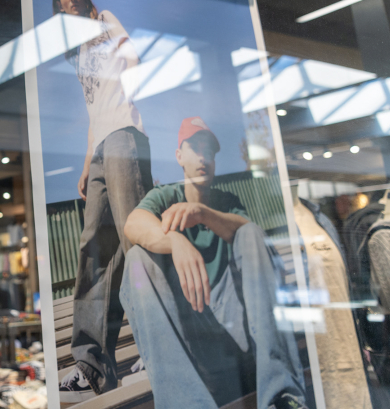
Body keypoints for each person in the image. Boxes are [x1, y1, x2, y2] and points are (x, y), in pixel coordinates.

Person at [120, 117, 307, 409]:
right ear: (179, 156)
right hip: (195, 334)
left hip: (240, 331)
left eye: (209, 150)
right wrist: (176, 242)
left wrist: (202, 213)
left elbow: (248, 232)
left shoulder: (227, 202)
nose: (203, 157)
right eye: (194, 148)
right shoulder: (166, 196)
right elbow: (133, 224)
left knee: (249, 233)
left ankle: (283, 396)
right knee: (136, 259)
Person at [51, 0, 153, 402]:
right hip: (100, 147)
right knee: (93, 247)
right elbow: (93, 109)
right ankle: (91, 365)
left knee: (136, 241)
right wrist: (86, 159)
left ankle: (154, 344)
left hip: (126, 136)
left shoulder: (104, 20)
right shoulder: (77, 52)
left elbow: (133, 58)